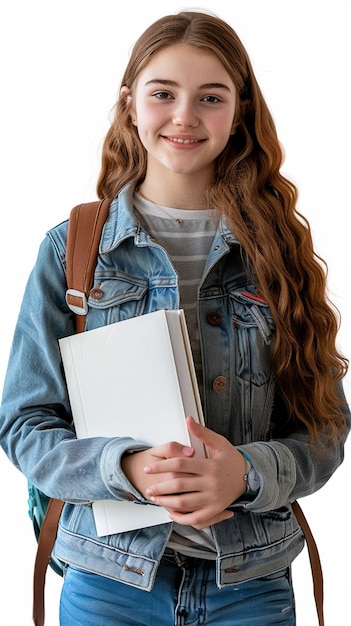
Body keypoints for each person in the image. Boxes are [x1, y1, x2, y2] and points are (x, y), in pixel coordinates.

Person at [0, 10, 349, 626]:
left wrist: (245, 473)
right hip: (109, 585)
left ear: (237, 113)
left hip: (251, 585)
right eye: (163, 93)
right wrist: (124, 467)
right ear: (131, 104)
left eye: (210, 97)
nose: (184, 116)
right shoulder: (72, 249)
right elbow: (25, 422)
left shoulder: (278, 254)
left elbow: (324, 429)